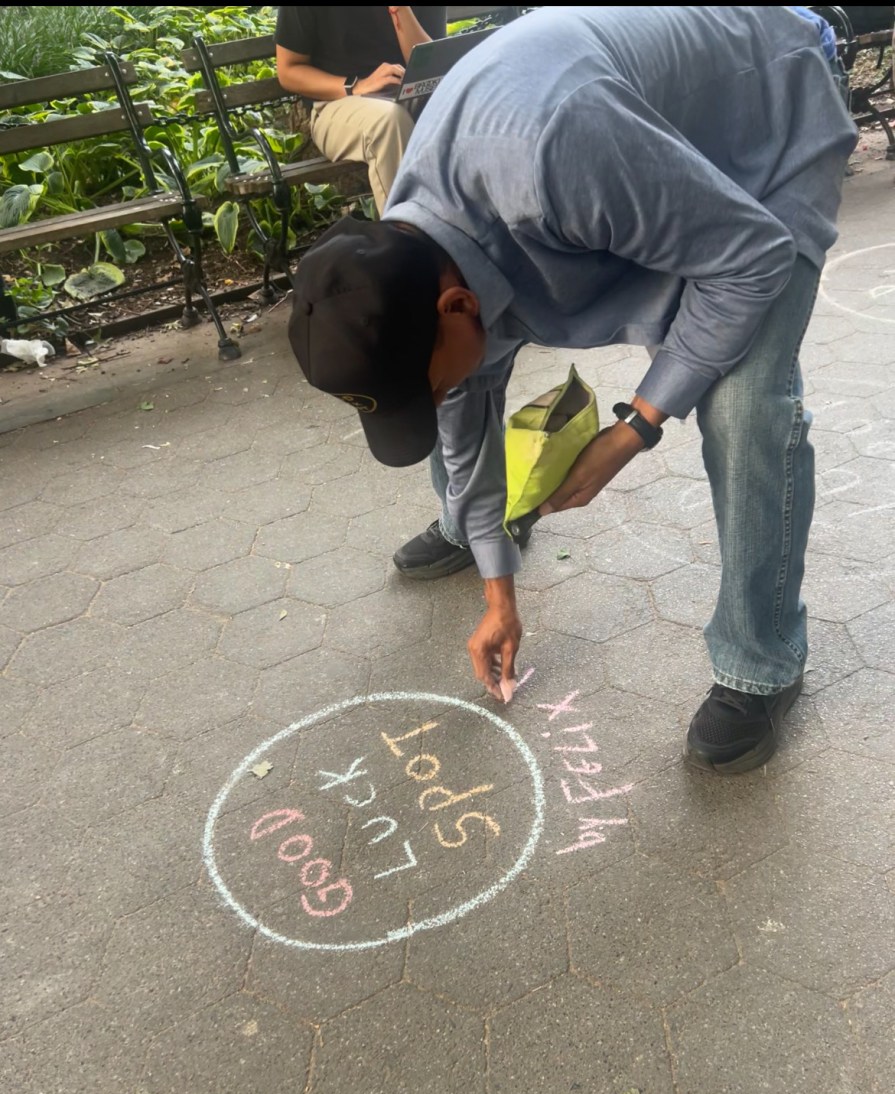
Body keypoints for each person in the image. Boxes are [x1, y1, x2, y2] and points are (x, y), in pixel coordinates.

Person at [287, 6, 858, 774]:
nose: (443, 400)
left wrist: (631, 431)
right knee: (474, 397)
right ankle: (474, 529)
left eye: (430, 387)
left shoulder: (548, 157)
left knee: (743, 400)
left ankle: (760, 663)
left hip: (760, 117)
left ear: (455, 306)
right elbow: (464, 415)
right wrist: (499, 594)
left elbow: (747, 256)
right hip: (645, 163)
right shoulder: (415, 247)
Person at [275, 5, 446, 216]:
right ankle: (410, 240)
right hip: (336, 103)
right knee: (389, 122)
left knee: (460, 109)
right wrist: (355, 86)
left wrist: (400, 9)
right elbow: (289, 70)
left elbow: (431, 65)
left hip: (411, 95)